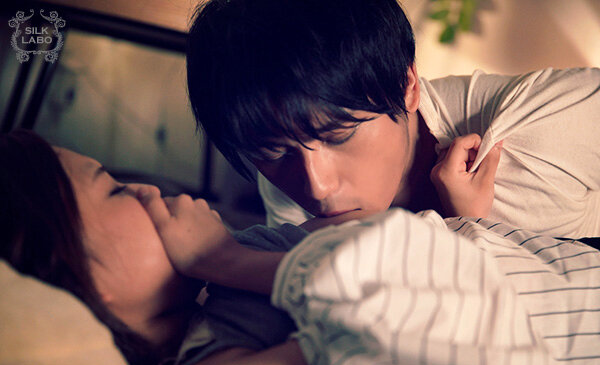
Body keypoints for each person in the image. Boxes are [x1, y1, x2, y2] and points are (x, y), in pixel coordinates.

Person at [1, 129, 599, 365]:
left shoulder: (224, 281)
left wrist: (467, 222)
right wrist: (221, 257)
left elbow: (394, 244)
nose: (146, 190)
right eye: (111, 189)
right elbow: (425, 318)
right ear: (67, 278)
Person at [186, 0, 600, 238]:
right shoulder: (286, 171)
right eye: (275, 153)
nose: (316, 187)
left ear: (408, 86)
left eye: (339, 135)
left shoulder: (543, 118)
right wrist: (463, 227)